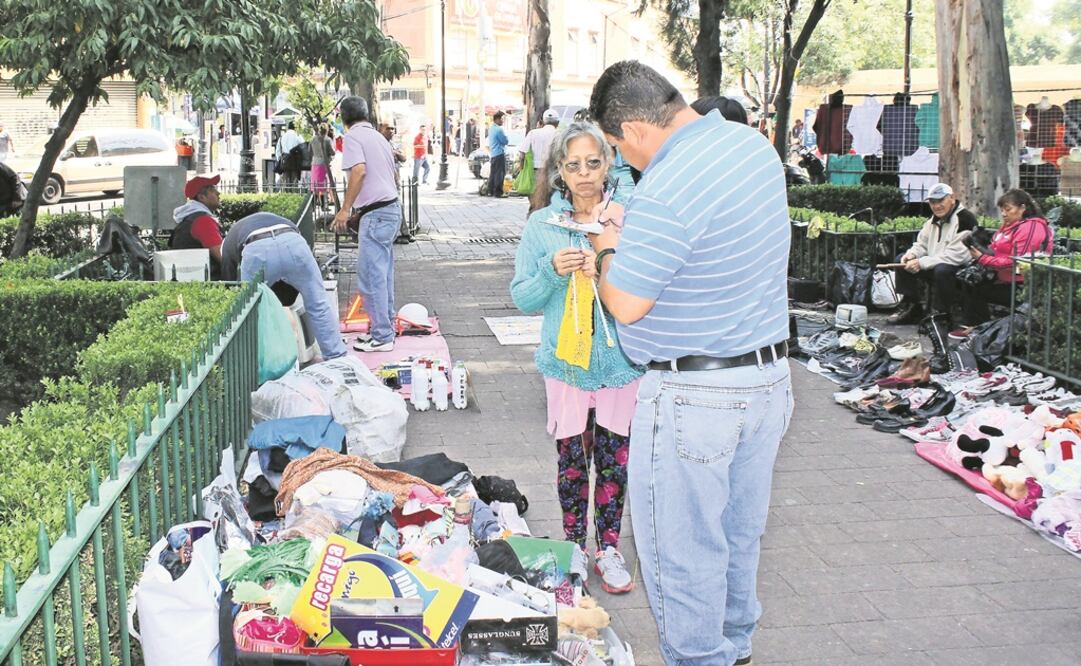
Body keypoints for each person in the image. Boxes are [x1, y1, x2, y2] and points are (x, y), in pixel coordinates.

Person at [587, 61, 793, 666]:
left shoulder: (669, 184)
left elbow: (625, 301)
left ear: (633, 129)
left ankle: (703, 658)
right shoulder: (748, 145)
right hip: (766, 379)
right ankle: (736, 648)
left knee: (681, 551)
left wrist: (607, 251)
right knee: (737, 537)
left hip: (695, 396)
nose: (625, 163)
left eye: (620, 149)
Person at [511, 121, 642, 594]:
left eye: (593, 162)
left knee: (614, 460)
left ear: (608, 164)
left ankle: (609, 547)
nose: (584, 174)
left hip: (620, 362)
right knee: (570, 461)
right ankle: (574, 548)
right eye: (573, 165)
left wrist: (608, 264)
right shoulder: (543, 226)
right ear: (559, 171)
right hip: (566, 365)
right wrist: (551, 272)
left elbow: (646, 292)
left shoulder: (629, 220)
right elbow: (523, 297)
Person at [220, 211, 346, 359]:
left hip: (256, 249)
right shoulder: (277, 219)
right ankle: (336, 356)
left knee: (249, 312)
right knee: (318, 303)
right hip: (292, 241)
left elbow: (229, 282)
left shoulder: (228, 242)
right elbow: (288, 272)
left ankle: (259, 365)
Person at [331, 96, 401, 353]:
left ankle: (382, 335)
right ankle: (384, 329)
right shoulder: (379, 137)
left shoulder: (352, 137)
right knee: (382, 275)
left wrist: (346, 209)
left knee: (371, 278)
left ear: (343, 117)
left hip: (377, 214)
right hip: (389, 209)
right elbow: (389, 174)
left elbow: (359, 172)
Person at [954, 188, 1053, 334]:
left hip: (1023, 286)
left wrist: (982, 258)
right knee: (966, 280)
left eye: (1008, 209)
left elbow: (1017, 261)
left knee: (976, 288)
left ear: (1023, 208)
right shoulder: (1009, 226)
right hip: (1004, 279)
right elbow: (995, 250)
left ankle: (979, 331)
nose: (1003, 214)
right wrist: (977, 245)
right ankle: (978, 328)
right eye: (1002, 210)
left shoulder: (1033, 227)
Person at [887, 182, 979, 325]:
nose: (936, 206)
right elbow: (922, 243)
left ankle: (942, 314)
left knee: (942, 270)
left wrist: (921, 263)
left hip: (960, 268)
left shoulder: (965, 219)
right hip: (934, 263)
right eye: (932, 202)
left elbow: (956, 256)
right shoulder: (933, 220)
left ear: (952, 198)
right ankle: (912, 306)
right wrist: (912, 255)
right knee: (901, 261)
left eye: (940, 201)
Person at [171, 174, 224, 277]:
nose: (218, 193)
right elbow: (222, 256)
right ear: (201, 197)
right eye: (213, 190)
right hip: (208, 284)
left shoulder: (188, 218)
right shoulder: (203, 221)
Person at [518, 109, 560, 176]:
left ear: (543, 122)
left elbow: (522, 155)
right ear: (558, 123)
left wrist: (521, 171)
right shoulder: (560, 135)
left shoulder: (533, 133)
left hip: (533, 172)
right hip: (553, 172)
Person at [310, 125, 334, 206]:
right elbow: (332, 152)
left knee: (315, 185)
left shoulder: (313, 139)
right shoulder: (327, 140)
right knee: (323, 185)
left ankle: (313, 206)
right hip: (323, 164)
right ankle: (324, 206)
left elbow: (309, 150)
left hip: (314, 163)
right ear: (326, 131)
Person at [487, 111, 509, 198]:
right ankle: (498, 192)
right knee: (500, 173)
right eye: (502, 119)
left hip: (493, 153)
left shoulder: (491, 128)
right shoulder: (499, 130)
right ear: (497, 119)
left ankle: (490, 190)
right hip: (499, 153)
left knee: (493, 173)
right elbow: (505, 141)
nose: (502, 121)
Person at [276, 121, 303, 188]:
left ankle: (287, 195)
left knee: (285, 181)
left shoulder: (282, 137)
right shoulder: (298, 136)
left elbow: (278, 151)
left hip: (285, 161)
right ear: (295, 128)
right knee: (294, 181)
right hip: (295, 161)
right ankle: (294, 195)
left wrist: (279, 159)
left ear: (288, 128)